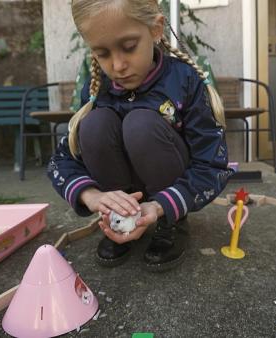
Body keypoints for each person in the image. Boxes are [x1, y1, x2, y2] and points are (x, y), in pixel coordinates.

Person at [48, 0, 232, 272]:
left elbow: (211, 163)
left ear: (156, 29)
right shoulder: (96, 89)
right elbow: (61, 160)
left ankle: (171, 223)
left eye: (129, 47)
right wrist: (93, 196)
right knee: (94, 124)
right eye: (102, 53)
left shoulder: (184, 80)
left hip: (169, 189)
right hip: (118, 196)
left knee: (140, 123)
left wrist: (161, 206)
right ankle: (120, 218)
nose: (118, 65)